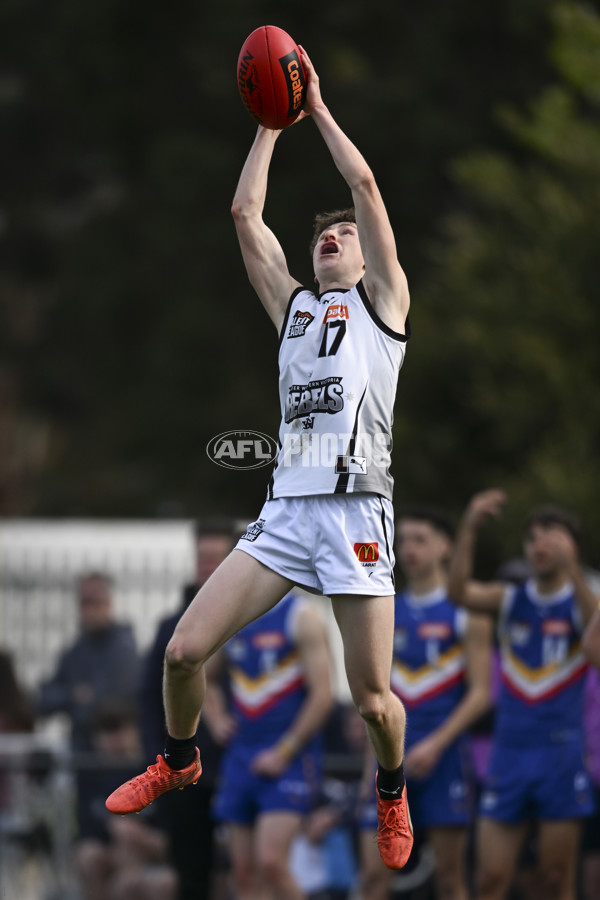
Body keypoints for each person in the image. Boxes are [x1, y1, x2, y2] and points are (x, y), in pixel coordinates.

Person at [106, 45, 413, 871]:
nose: (334, 238)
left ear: (364, 259)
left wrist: (314, 110)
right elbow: (246, 216)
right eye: (324, 237)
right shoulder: (294, 312)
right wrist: (269, 125)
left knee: (375, 702)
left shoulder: (384, 308)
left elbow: (367, 188)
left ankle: (391, 789)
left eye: (342, 236)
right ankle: (179, 760)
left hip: (355, 511)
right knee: (181, 651)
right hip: (287, 511)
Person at [446, 489, 598, 900]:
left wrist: (575, 569)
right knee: (490, 879)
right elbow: (458, 593)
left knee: (554, 879)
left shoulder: (584, 602)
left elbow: (596, 650)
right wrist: (469, 528)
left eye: (550, 535)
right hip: (509, 753)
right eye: (532, 538)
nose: (538, 545)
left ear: (572, 544)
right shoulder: (511, 598)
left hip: (560, 754)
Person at [359, 507, 492, 900]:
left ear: (445, 546)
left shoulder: (467, 611)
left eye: (421, 539)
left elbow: (482, 692)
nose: (410, 549)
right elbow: (372, 691)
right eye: (405, 540)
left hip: (445, 757)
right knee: (372, 878)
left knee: (450, 879)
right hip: (388, 758)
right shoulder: (382, 607)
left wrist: (435, 744)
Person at [205, 591, 334, 899]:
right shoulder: (231, 616)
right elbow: (200, 672)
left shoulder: (301, 617)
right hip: (240, 758)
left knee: (272, 862)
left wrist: (284, 750)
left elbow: (324, 695)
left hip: (289, 760)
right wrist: (216, 718)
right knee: (243, 875)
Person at [139, 519, 237, 900]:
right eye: (201, 558)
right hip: (185, 771)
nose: (206, 567)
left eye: (216, 558)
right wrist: (159, 759)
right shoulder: (172, 628)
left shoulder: (259, 621)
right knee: (190, 873)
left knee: (248, 869)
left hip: (242, 763)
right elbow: (149, 699)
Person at [75, 699, 177, 900]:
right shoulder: (92, 775)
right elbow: (86, 828)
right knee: (89, 855)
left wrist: (143, 835)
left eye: (120, 730)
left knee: (133, 882)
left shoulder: (156, 771)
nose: (114, 740)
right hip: (114, 853)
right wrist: (113, 826)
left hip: (154, 851)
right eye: (107, 732)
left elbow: (174, 829)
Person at [37, 572, 140, 752]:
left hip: (112, 759)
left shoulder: (123, 650)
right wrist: (73, 695)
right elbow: (43, 700)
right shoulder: (76, 650)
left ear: (108, 603)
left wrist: (74, 700)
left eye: (94, 601)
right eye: (84, 602)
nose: (88, 610)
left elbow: (112, 704)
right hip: (82, 756)